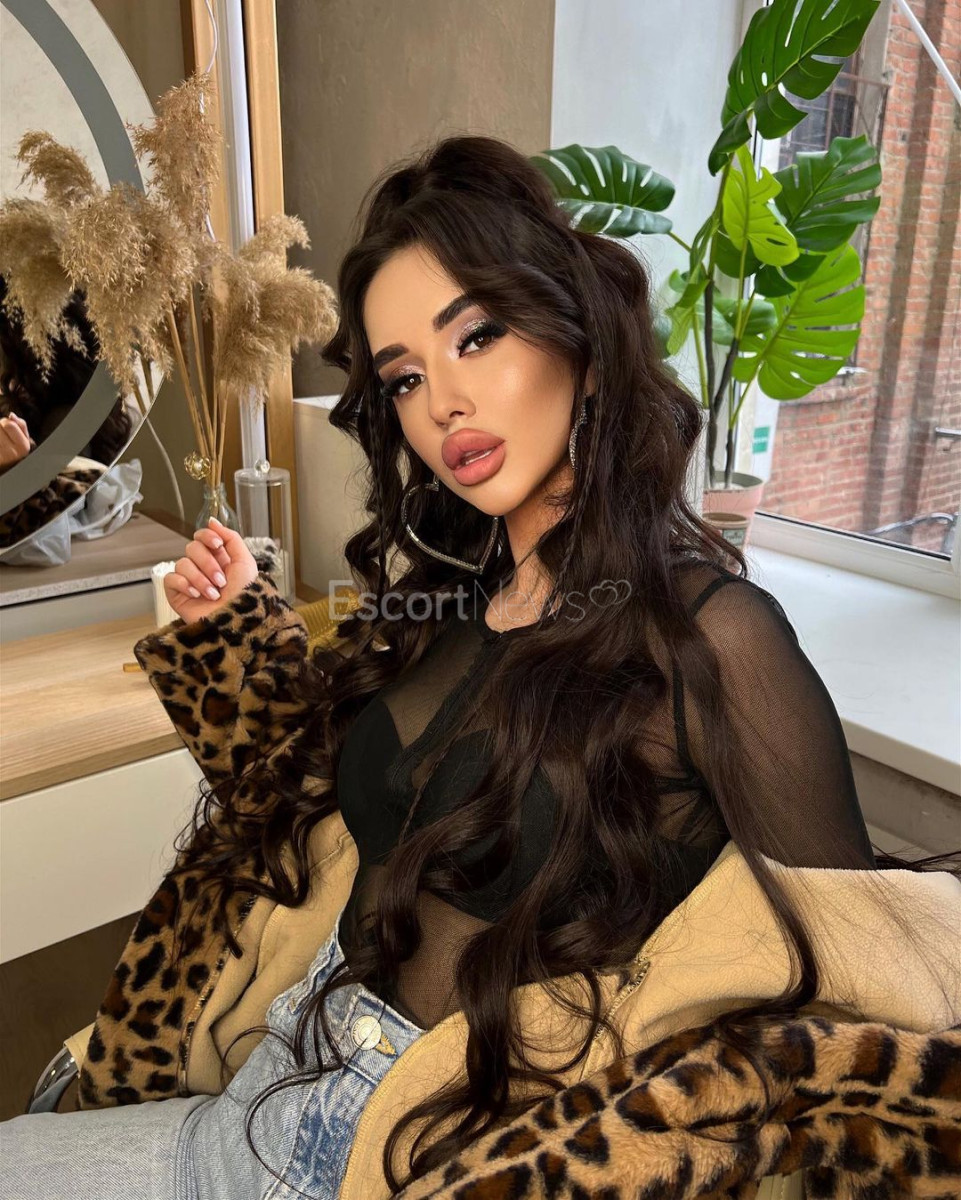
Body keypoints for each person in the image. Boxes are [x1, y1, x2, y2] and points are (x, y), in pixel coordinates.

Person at [3, 134, 957, 1200]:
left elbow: (866, 997)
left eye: (478, 336)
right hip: (273, 1071)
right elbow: (319, 805)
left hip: (413, 1151)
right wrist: (231, 631)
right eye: (406, 377)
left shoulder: (716, 640)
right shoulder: (450, 597)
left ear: (579, 339)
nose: (442, 403)